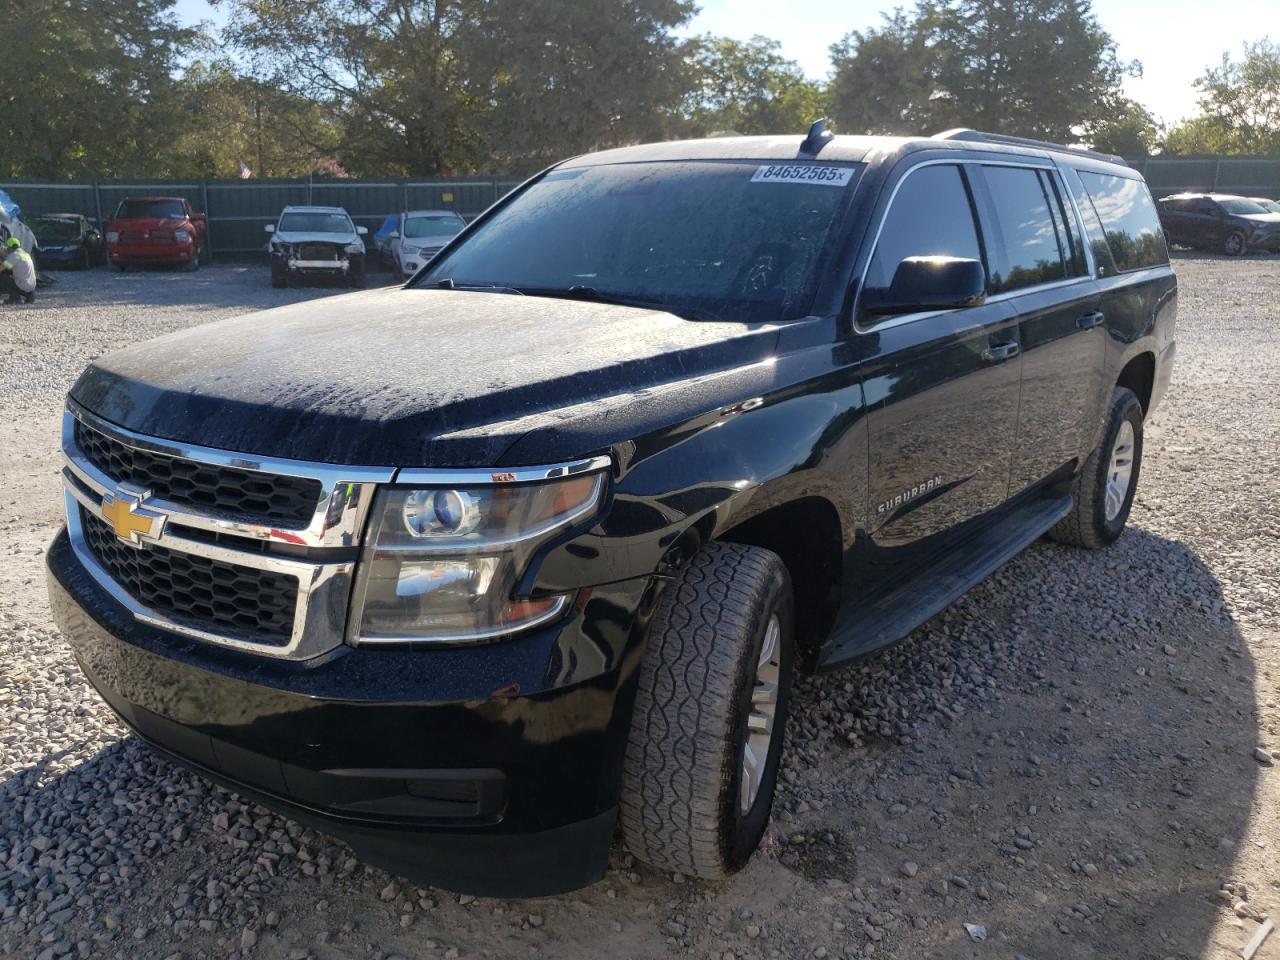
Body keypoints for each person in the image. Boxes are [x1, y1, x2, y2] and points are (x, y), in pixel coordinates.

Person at [1, 236, 37, 304]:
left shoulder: (15, 255)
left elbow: (1, 268)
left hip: (22, 286)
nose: (7, 249)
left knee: (3, 278)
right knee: (12, 277)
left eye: (7, 248)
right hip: (31, 287)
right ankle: (30, 296)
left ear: (10, 248)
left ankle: (16, 298)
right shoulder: (25, 254)